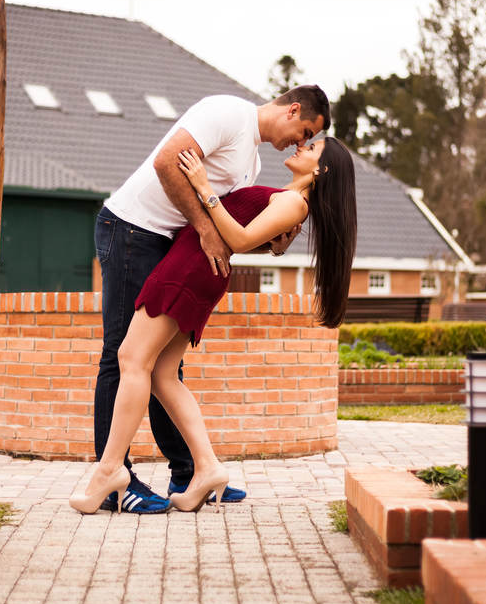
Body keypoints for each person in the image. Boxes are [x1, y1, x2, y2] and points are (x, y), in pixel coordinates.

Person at [71, 135, 357, 514]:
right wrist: (267, 241)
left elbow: (234, 238)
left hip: (189, 268)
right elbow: (244, 231)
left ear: (322, 170)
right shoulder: (287, 199)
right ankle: (206, 467)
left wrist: (205, 188)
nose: (302, 146)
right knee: (162, 375)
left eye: (313, 147)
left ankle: (109, 470)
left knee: (131, 358)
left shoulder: (293, 202)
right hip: (196, 267)